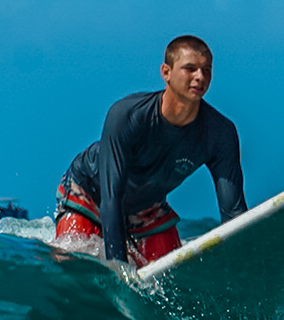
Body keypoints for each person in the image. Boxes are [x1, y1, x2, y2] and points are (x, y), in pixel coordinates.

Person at [53, 35, 246, 269]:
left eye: (206, 70)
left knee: (173, 278)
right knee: (69, 265)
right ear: (166, 72)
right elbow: (112, 197)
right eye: (190, 69)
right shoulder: (128, 116)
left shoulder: (220, 133)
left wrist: (244, 265)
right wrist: (120, 270)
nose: (200, 77)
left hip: (146, 206)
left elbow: (234, 214)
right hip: (89, 193)